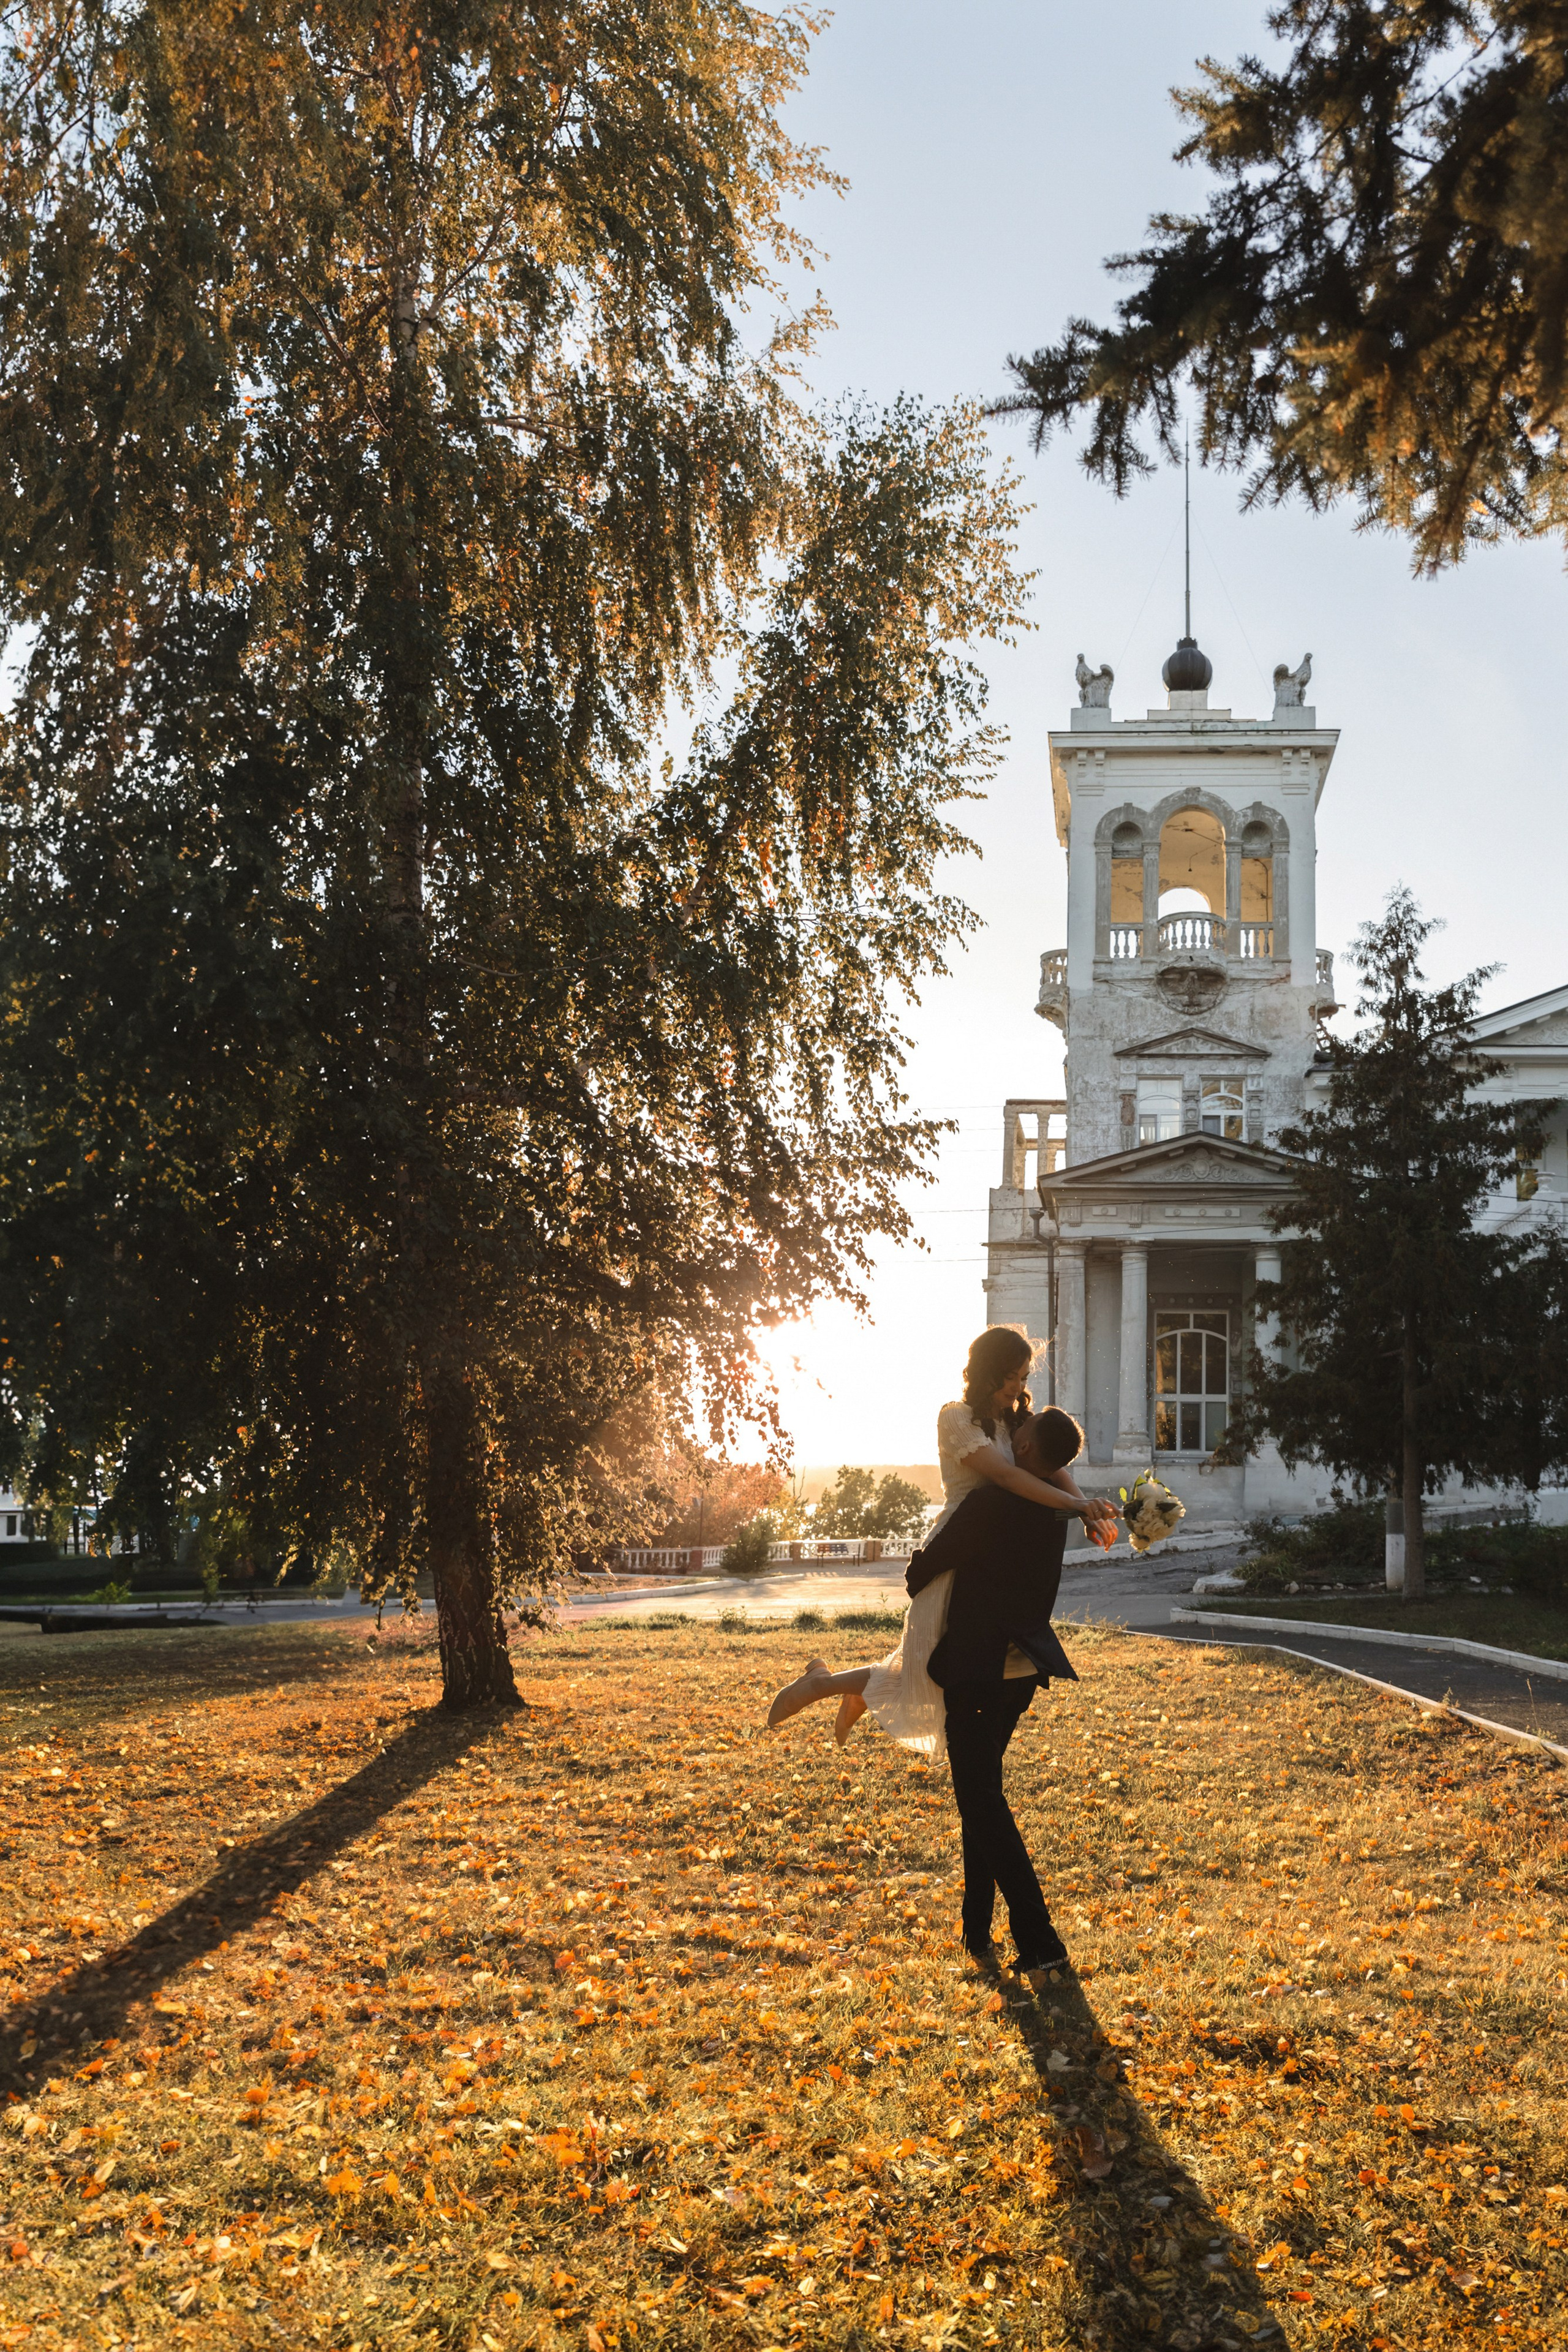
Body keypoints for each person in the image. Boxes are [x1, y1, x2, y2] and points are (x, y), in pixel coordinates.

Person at [766, 1327, 1115, 1754]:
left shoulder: (1016, 1420)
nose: (1019, 1387)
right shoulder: (955, 1417)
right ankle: (824, 1684)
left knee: (938, 1666)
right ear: (988, 1371)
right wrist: (1080, 1508)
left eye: (1024, 1378)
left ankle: (839, 1686)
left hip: (992, 1555)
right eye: (1012, 1376)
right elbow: (1006, 1476)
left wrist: (1087, 1511)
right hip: (956, 1546)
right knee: (926, 1664)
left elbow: (1052, 1470)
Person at [914, 1403, 1088, 1981]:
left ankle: (1041, 1942)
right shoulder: (1054, 1513)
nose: (1012, 1432)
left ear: (1030, 1450)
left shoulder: (991, 1502)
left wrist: (917, 1569)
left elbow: (931, 1565)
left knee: (983, 1801)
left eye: (1021, 1431)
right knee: (980, 1796)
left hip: (979, 1669)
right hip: (1020, 1675)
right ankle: (975, 1930)